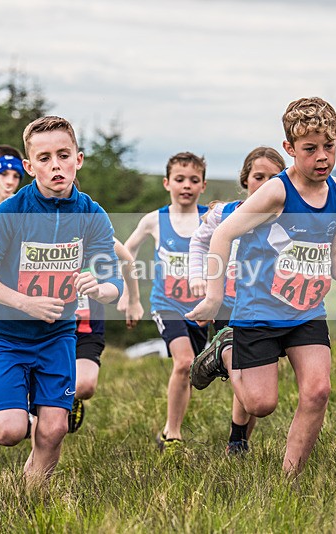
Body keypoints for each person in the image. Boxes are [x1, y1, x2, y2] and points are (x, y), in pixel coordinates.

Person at [188, 97, 336, 475]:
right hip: (259, 312)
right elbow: (221, 235)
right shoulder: (276, 192)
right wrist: (214, 296)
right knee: (260, 405)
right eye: (310, 149)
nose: (322, 157)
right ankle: (225, 350)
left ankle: (290, 481)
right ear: (289, 149)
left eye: (329, 146)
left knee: (318, 391)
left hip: (307, 311)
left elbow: (333, 252)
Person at [0, 116, 123, 485]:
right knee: (8, 432)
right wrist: (24, 304)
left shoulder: (92, 215)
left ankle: (32, 497)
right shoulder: (10, 213)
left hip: (57, 335)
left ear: (78, 159)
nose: (55, 165)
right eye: (44, 158)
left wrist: (100, 287)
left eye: (63, 155)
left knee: (54, 430)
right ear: (29, 167)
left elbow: (114, 284)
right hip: (6, 336)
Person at [188, 146, 285, 455]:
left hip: (265, 304)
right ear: (245, 180)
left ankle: (238, 440)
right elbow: (199, 241)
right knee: (241, 370)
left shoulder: (287, 220)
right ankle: (237, 438)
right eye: (259, 177)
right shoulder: (223, 212)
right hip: (228, 302)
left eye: (274, 178)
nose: (266, 183)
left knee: (251, 373)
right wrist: (198, 277)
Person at [124, 151, 208, 451]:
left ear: (203, 186)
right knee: (184, 361)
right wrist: (128, 294)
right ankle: (173, 435)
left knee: (190, 369)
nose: (186, 185)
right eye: (180, 179)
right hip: (166, 303)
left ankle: (170, 428)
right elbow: (127, 251)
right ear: (167, 183)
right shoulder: (155, 220)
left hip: (199, 307)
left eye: (193, 180)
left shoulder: (209, 220)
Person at [69, 237, 143, 433]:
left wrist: (132, 299)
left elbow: (126, 258)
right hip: (45, 328)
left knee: (84, 387)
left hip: (86, 328)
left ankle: (70, 398)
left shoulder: (91, 226)